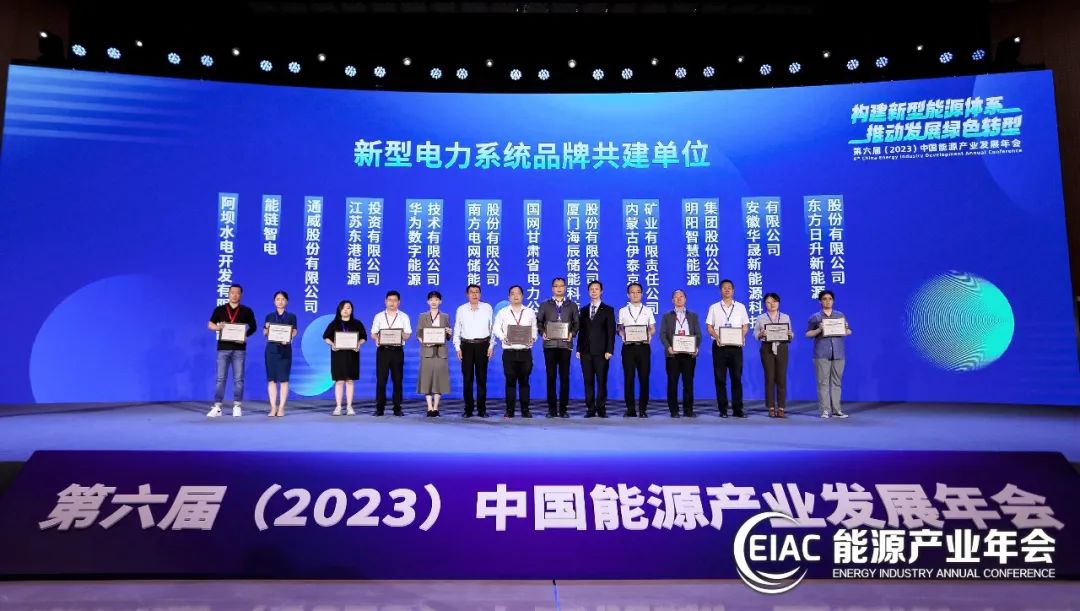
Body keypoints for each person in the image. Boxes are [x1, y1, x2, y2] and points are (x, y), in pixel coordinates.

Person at [206, 284, 257, 418]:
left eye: (237, 293)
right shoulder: (220, 309)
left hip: (239, 349)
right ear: (228, 294)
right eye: (232, 292)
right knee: (220, 379)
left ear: (241, 295)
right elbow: (210, 324)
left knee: (238, 379)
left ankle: (237, 406)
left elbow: (254, 327)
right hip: (223, 348)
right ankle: (217, 406)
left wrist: (245, 335)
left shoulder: (246, 310)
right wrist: (218, 328)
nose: (234, 295)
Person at [704, 279, 750, 418]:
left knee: (736, 378)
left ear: (733, 290)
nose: (727, 290)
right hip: (719, 346)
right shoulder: (714, 307)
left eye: (729, 288)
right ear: (720, 291)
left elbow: (745, 326)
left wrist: (741, 336)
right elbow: (709, 327)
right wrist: (717, 337)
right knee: (720, 379)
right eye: (724, 288)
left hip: (736, 347)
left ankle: (737, 409)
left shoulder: (741, 307)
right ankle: (722, 409)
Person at [536, 277, 579, 418]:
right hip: (549, 345)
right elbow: (539, 322)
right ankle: (552, 409)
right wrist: (543, 333)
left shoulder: (572, 305)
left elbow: (576, 324)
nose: (559, 288)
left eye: (561, 286)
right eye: (556, 286)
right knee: (551, 377)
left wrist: (572, 334)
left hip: (565, 345)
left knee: (564, 377)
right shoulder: (545, 305)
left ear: (565, 288)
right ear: (552, 288)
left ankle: (563, 409)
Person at [493, 285, 537, 418]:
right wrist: (503, 337)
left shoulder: (530, 312)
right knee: (510, 382)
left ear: (522, 296)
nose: (515, 296)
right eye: (512, 293)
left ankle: (525, 410)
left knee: (524, 382)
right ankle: (510, 410)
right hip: (509, 352)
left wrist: (533, 338)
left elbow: (534, 329)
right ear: (509, 297)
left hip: (525, 352)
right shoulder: (503, 312)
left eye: (518, 293)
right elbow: (496, 328)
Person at [806, 289, 852, 419]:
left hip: (838, 353)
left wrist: (846, 329)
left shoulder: (840, 315)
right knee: (823, 383)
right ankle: (825, 410)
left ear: (833, 301)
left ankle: (837, 410)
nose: (827, 301)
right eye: (825, 299)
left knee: (837, 383)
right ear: (820, 301)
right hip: (821, 353)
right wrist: (819, 329)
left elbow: (849, 332)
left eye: (830, 299)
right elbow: (808, 334)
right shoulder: (815, 317)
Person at [659, 289, 701, 418]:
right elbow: (662, 335)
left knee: (688, 383)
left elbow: (698, 334)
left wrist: (696, 347)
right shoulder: (667, 316)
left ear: (685, 299)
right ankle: (674, 410)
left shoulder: (693, 316)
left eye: (681, 296)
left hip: (689, 355)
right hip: (673, 354)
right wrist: (668, 347)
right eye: (676, 297)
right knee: (672, 383)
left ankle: (688, 410)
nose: (679, 298)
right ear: (672, 300)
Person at [453, 284, 494, 418]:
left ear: (480, 294)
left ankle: (482, 410)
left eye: (477, 292)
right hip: (467, 346)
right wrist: (457, 347)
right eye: (472, 292)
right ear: (467, 295)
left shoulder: (487, 308)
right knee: (467, 379)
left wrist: (491, 346)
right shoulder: (461, 309)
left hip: (483, 345)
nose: (474, 294)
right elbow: (457, 329)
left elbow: (492, 328)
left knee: (482, 379)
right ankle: (468, 409)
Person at [576, 280, 616, 418]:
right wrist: (578, 349)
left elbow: (611, 332)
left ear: (601, 291)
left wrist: (609, 350)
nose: (594, 291)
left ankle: (601, 408)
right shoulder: (583, 310)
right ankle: (590, 408)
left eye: (596, 289)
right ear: (588, 292)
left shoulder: (608, 310)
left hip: (602, 352)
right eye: (591, 289)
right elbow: (581, 332)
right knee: (588, 381)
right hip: (585, 352)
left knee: (601, 381)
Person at [371, 290, 412, 416]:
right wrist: (379, 338)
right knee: (381, 380)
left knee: (397, 380)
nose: (392, 303)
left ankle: (397, 408)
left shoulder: (404, 316)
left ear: (399, 302)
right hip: (383, 351)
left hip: (397, 351)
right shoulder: (378, 316)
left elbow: (408, 335)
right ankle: (380, 408)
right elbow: (373, 333)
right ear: (385, 301)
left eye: (394, 300)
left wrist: (398, 335)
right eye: (389, 300)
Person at [617, 282, 656, 418]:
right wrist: (622, 334)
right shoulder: (623, 310)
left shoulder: (648, 310)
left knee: (644, 378)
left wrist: (649, 335)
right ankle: (630, 409)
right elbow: (620, 328)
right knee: (629, 378)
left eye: (638, 292)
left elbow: (652, 328)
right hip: (628, 348)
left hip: (643, 347)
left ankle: (643, 409)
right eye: (632, 292)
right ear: (628, 295)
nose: (635, 294)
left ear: (642, 294)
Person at [322, 299, 367, 416]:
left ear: (352, 310)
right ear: (339, 310)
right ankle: (338, 407)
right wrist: (332, 344)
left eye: (348, 308)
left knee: (350, 381)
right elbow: (326, 337)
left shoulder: (357, 323)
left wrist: (359, 344)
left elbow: (364, 337)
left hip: (352, 355)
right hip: (338, 355)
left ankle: (349, 407)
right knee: (339, 381)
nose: (346, 310)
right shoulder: (334, 324)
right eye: (343, 308)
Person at [754, 292, 794, 418]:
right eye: (768, 302)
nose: (772, 304)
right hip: (767, 348)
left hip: (782, 347)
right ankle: (771, 407)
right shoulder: (761, 318)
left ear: (778, 303)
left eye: (774, 301)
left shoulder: (785, 317)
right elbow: (755, 334)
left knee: (781, 378)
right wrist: (761, 334)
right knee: (769, 377)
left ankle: (781, 407)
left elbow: (791, 334)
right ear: (765, 304)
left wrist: (790, 335)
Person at [417, 290, 452, 417]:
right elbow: (419, 334)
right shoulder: (422, 316)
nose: (434, 302)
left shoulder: (445, 316)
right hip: (427, 352)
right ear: (428, 302)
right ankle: (429, 407)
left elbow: (447, 336)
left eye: (436, 299)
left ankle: (436, 407)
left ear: (440, 302)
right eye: (431, 299)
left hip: (441, 352)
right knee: (427, 379)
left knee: (439, 380)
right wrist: (425, 343)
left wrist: (449, 333)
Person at [263, 290, 298, 417]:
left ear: (287, 301)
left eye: (283, 299)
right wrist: (267, 328)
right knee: (271, 379)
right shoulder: (269, 316)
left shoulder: (291, 316)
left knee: (284, 380)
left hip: (285, 350)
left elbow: (294, 331)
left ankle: (282, 407)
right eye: (277, 299)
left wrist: (289, 338)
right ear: (274, 301)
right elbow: (264, 333)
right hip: (271, 350)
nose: (280, 301)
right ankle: (273, 408)